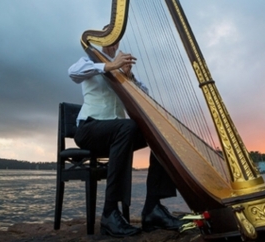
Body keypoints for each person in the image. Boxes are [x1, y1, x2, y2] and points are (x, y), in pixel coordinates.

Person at [68, 41, 182, 237]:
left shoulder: (121, 69)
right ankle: (109, 213)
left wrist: (129, 76)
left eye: (115, 42)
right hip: (89, 129)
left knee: (158, 131)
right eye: (108, 41)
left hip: (120, 134)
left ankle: (152, 208)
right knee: (127, 126)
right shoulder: (88, 62)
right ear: (101, 42)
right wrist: (110, 65)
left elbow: (144, 94)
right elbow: (73, 73)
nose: (112, 46)